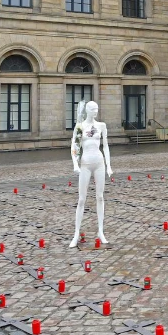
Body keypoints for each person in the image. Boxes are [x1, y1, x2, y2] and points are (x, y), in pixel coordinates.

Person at [70, 101, 113, 247]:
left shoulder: (101, 125)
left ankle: (101, 231)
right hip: (85, 164)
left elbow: (105, 146)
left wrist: (109, 165)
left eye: (97, 109)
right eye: (93, 109)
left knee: (100, 197)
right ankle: (76, 233)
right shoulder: (80, 126)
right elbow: (75, 146)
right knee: (81, 199)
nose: (96, 112)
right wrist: (75, 164)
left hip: (99, 162)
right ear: (87, 110)